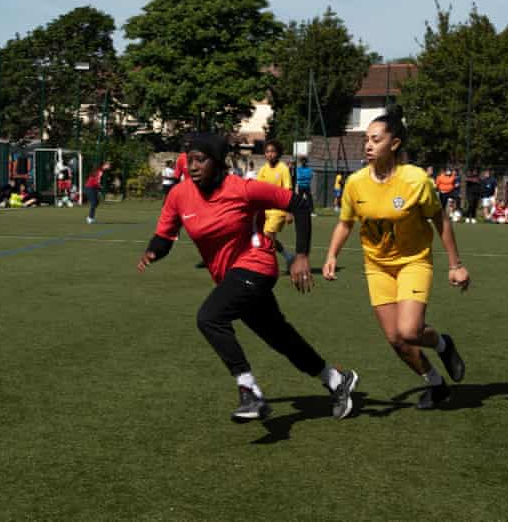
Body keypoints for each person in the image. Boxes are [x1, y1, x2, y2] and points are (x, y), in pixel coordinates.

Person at [137, 133, 359, 423]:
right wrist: (153, 252)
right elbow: (164, 236)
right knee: (279, 337)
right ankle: (335, 379)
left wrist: (301, 256)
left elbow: (300, 205)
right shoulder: (179, 195)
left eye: (200, 160)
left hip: (257, 264)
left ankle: (249, 389)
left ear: (217, 163)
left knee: (210, 317)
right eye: (189, 160)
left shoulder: (243, 189)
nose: (192, 167)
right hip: (230, 277)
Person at [322, 106, 469, 410]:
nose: (368, 145)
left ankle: (443, 344)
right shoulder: (356, 182)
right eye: (366, 139)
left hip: (413, 261)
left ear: (395, 144)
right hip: (376, 266)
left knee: (409, 330)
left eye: (376, 139)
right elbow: (346, 223)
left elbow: (440, 220)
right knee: (396, 340)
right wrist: (331, 255)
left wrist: (456, 265)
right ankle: (436, 385)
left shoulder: (415, 180)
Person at [256, 140, 295, 268]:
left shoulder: (283, 168)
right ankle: (288, 256)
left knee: (268, 234)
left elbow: (288, 190)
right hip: (265, 209)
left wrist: (289, 211)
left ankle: (269, 263)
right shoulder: (263, 169)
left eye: (273, 151)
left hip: (279, 209)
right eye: (267, 152)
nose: (270, 154)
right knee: (266, 236)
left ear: (278, 153)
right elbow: (257, 189)